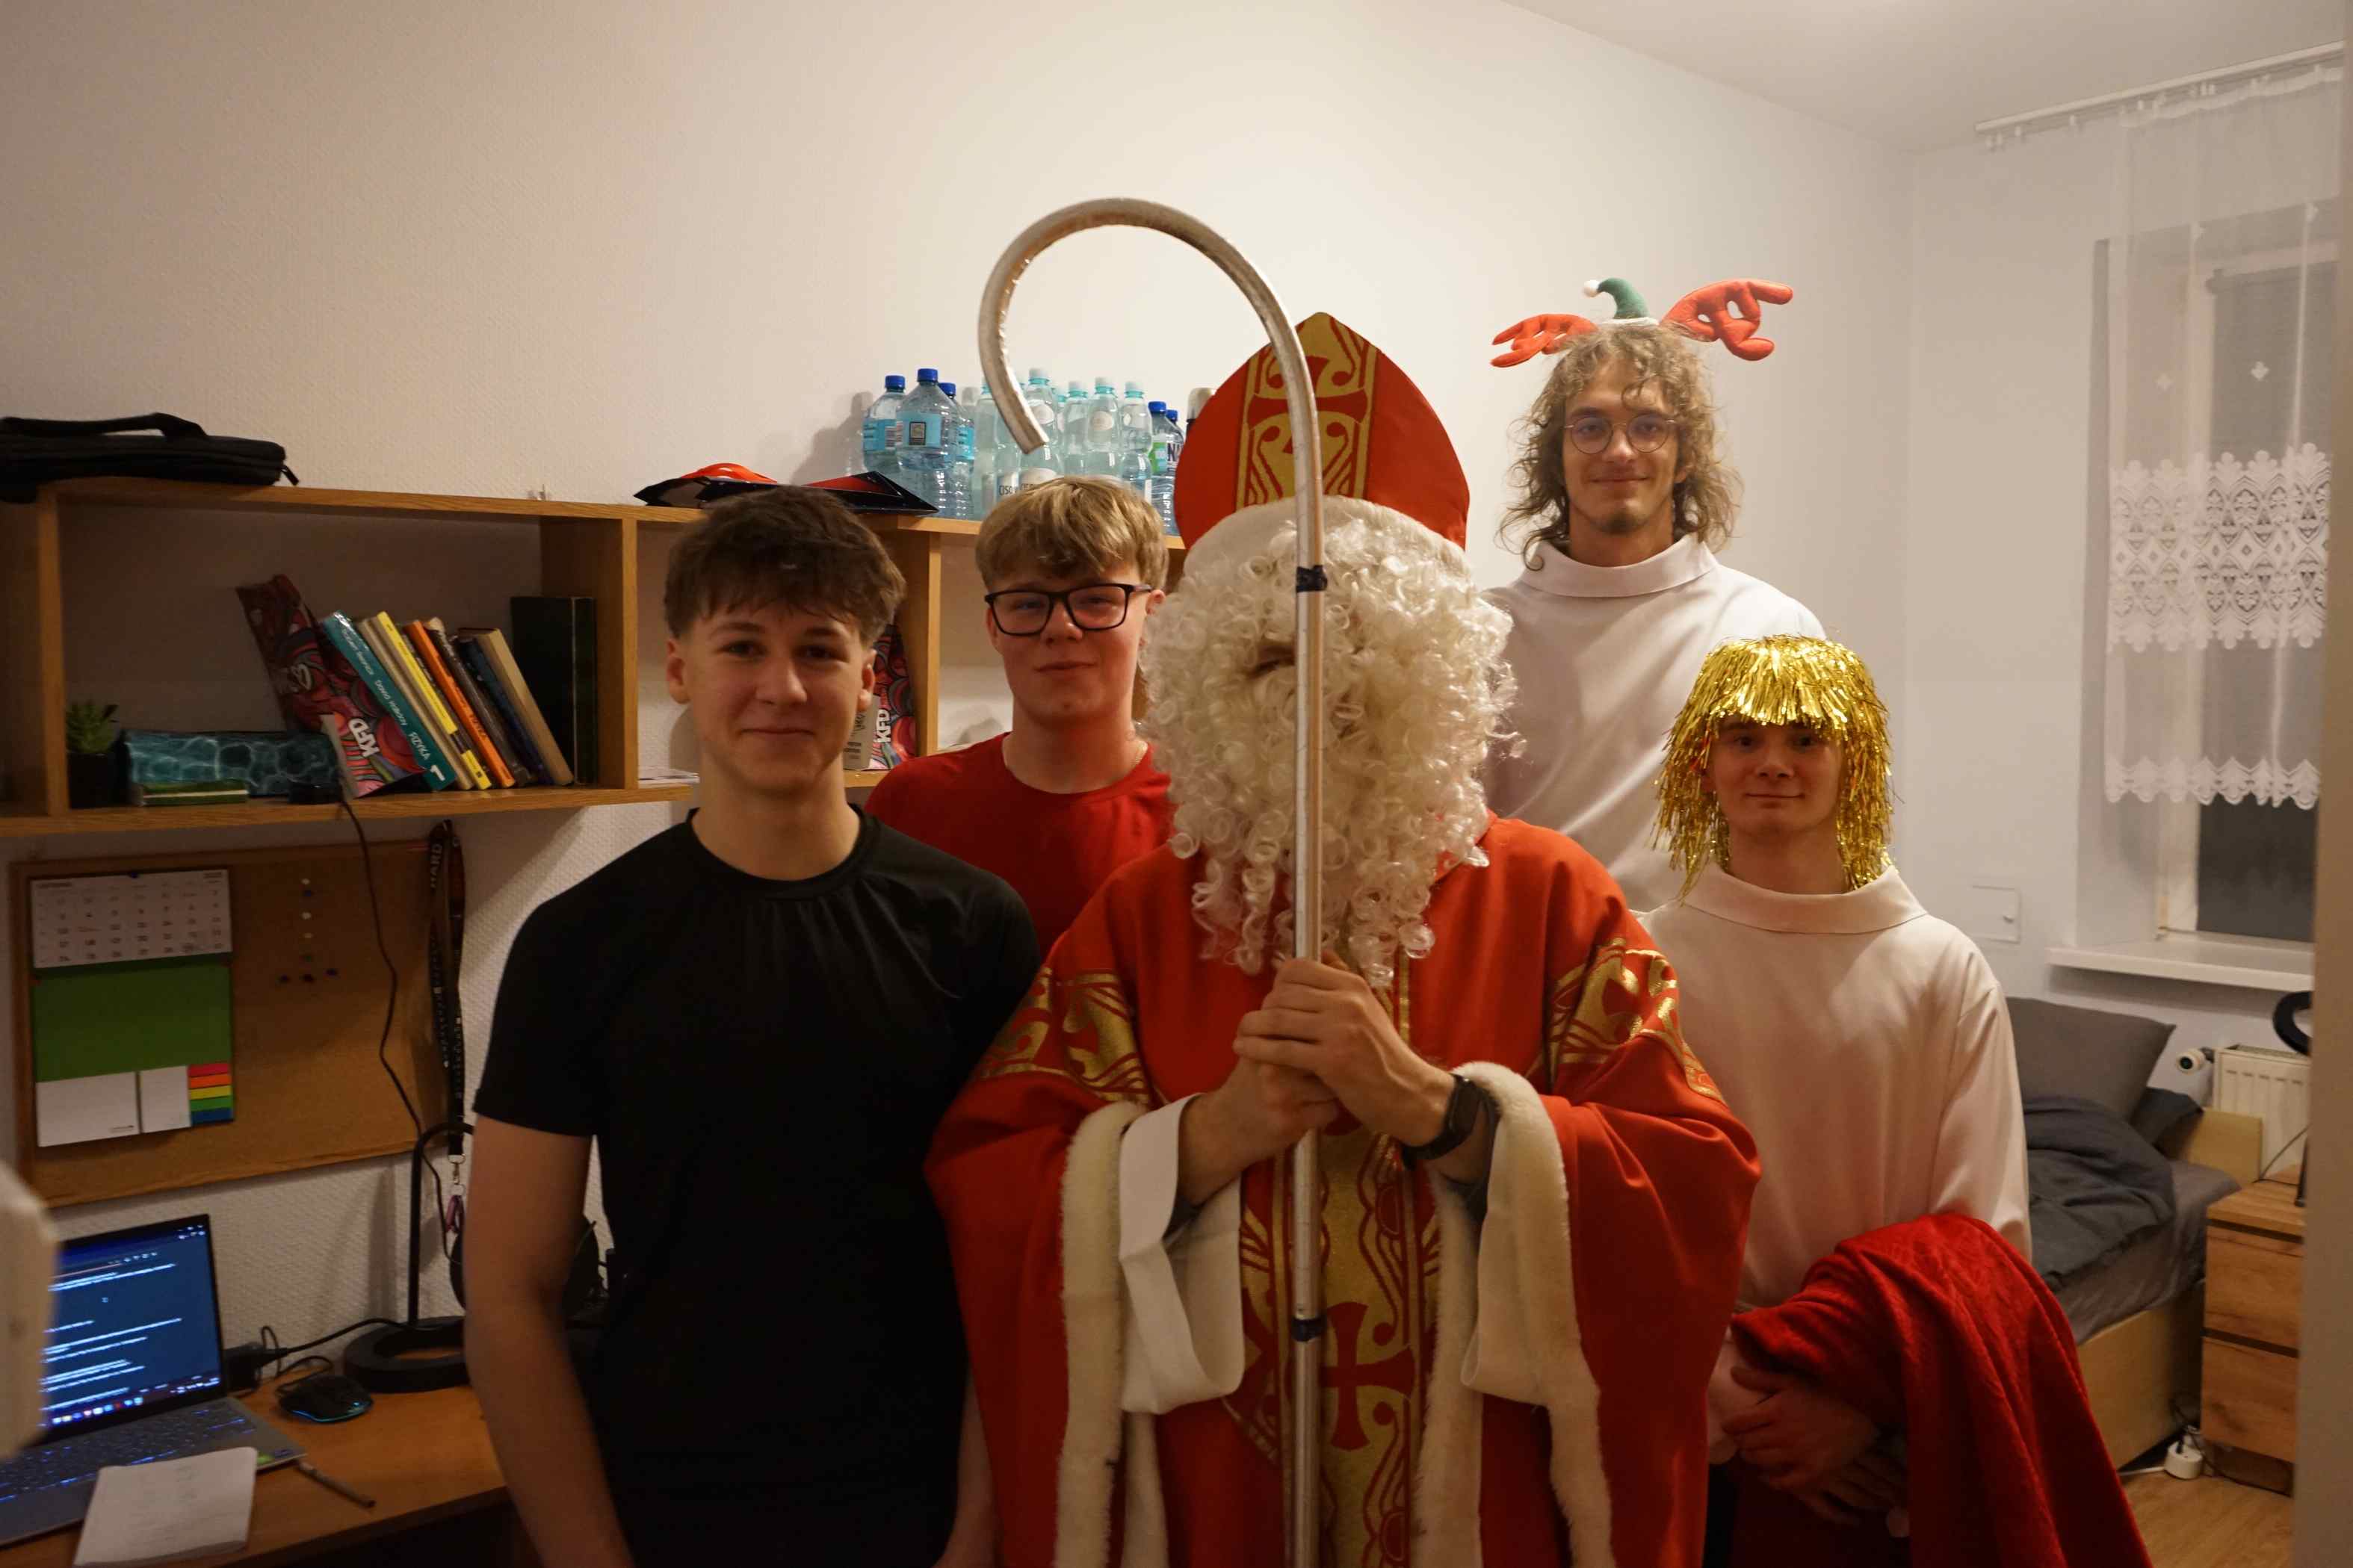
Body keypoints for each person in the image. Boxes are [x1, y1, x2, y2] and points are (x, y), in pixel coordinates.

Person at [927, 314, 1759, 1568]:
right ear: (1210, 678)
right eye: (1271, 654)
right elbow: (993, 1176)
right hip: (1213, 1495)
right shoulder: (1144, 916)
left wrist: (1443, 1112)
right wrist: (1197, 1142)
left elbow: (1691, 1177)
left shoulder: (1552, 900)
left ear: (1433, 672)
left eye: (1357, 644)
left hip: (1482, 1495)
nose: (1316, 687)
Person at [465, 489, 1037, 1568]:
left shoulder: (972, 927)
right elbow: (508, 1296)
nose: (782, 687)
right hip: (665, 1502)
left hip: (916, 1501)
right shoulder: (580, 942)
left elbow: (1009, 1269)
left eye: (819, 649)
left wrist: (977, 1529)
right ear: (680, 666)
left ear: (869, 675)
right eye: (743, 646)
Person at [1635, 636, 2053, 1563]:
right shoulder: (1641, 961)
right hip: (1688, 1409)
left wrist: (1859, 1395)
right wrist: (1730, 1394)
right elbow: (1610, 1207)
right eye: (1742, 737)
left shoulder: (1941, 968)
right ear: (1701, 759)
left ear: (1852, 759)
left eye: (1805, 737)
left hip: (1877, 1408)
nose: (1772, 763)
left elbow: (1981, 1231)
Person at [1483, 276, 1822, 911]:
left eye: (1648, 426)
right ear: (1556, 457)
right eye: (1590, 426)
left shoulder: (1769, 627)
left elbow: (1811, 839)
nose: (1619, 451)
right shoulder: (1483, 633)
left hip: (1711, 965)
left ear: (1685, 453)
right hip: (1527, 959)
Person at [866, 475, 1174, 953]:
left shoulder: (1201, 817)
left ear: (1152, 617)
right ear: (994, 625)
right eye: (1029, 604)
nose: (1061, 627)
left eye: (1096, 599)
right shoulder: (911, 804)